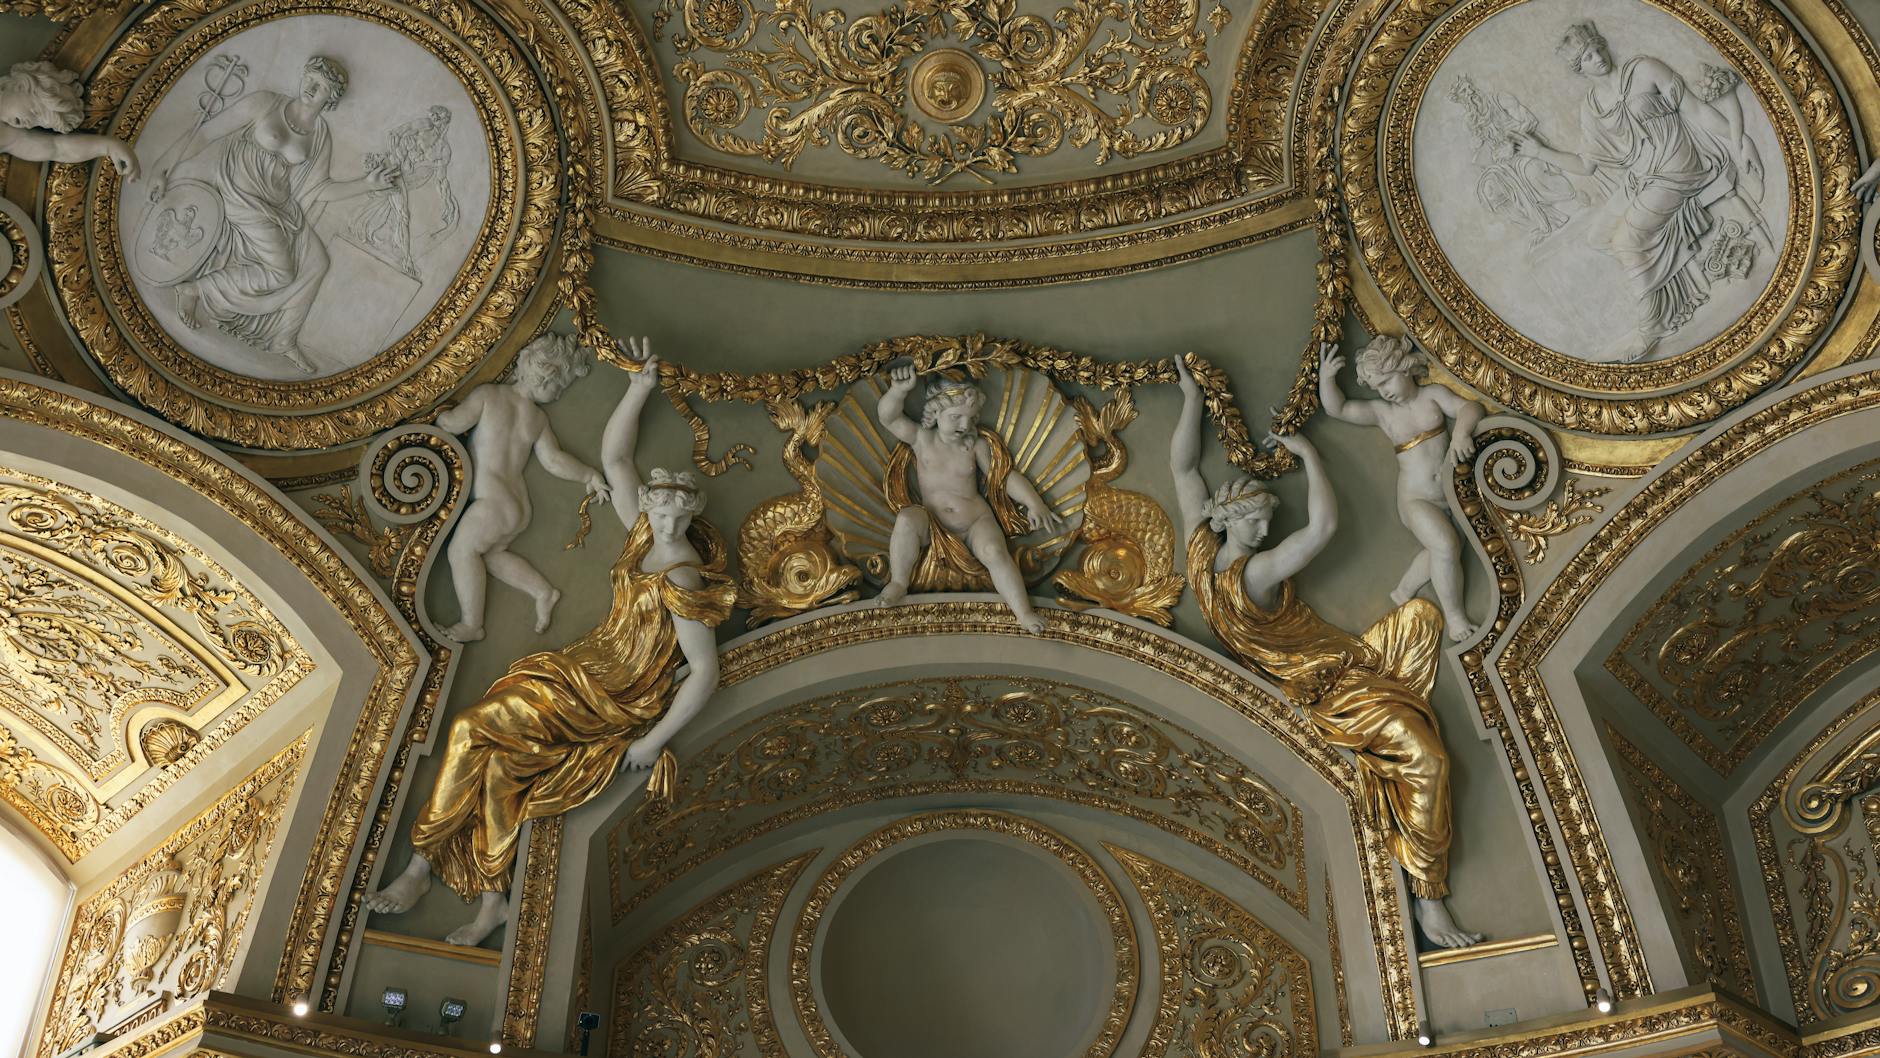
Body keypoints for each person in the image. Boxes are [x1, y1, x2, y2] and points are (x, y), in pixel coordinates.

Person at [366, 339, 737, 947]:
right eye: (659, 507)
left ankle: (418, 867)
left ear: (691, 514)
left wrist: (652, 740)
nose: (666, 521)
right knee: (504, 766)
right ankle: (489, 901)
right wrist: (639, 388)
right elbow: (614, 457)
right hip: (588, 665)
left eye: (677, 514)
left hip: (617, 688)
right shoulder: (644, 536)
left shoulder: (683, 573)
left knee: (468, 729)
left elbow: (704, 670)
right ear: (648, 505)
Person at [1171, 352, 1482, 949]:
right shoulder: (1255, 575)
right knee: (1428, 761)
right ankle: (1430, 898)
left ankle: (1427, 897)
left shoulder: (1201, 557)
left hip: (1344, 668)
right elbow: (1321, 530)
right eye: (1257, 521)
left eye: (1267, 521)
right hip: (1335, 689)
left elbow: (1183, 467)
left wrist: (1191, 400)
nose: (1266, 531)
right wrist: (1312, 455)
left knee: (1419, 623)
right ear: (1231, 520)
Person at [1509, 21, 1763, 362]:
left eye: (1598, 48)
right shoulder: (1593, 108)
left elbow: (1696, 110)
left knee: (1627, 241)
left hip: (1678, 164)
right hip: (1642, 177)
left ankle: (1650, 328)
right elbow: (1587, 165)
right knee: (1598, 235)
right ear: (1578, 68)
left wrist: (1739, 140)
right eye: (1587, 57)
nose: (1598, 57)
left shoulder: (1644, 69)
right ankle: (1676, 289)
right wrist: (1537, 152)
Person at [144, 56, 397, 374]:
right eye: (310, 79)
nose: (310, 88)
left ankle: (284, 339)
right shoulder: (265, 102)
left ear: (329, 100)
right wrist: (162, 166)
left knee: (318, 262)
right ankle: (196, 289)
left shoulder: (319, 135)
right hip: (239, 193)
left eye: (320, 88)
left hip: (278, 205)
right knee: (282, 273)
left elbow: (320, 189)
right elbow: (206, 134)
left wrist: (367, 184)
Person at [439, 333, 609, 642]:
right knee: (491, 556)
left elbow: (453, 424)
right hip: (517, 507)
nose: (558, 395)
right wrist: (588, 475)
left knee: (461, 551)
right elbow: (554, 461)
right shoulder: (536, 418)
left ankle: (471, 623)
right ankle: (543, 591)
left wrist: (439, 414)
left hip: (492, 503)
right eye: (559, 386)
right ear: (546, 375)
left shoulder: (489, 396)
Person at [872, 365, 1064, 633]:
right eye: (956, 417)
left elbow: (1004, 477)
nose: (965, 425)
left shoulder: (975, 446)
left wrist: (1035, 503)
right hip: (932, 523)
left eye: (971, 418)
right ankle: (899, 582)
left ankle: (1023, 612)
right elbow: (888, 418)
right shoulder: (921, 438)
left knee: (995, 552)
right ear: (935, 412)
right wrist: (898, 391)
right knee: (906, 519)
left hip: (975, 520)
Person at [1319, 337, 1482, 642]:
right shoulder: (1384, 413)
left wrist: (1460, 435)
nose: (1385, 391)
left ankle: (1404, 590)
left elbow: (1470, 408)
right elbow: (1337, 408)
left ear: (1405, 368)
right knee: (1445, 547)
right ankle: (1456, 618)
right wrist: (1326, 378)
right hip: (1415, 499)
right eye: (1378, 387)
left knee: (1446, 547)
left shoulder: (1431, 396)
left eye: (1387, 380)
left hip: (1449, 496)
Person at [0, 61, 138, 176]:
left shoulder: (8, 135)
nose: (29, 124)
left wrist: (108, 146)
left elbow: (58, 148)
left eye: (38, 123)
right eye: (35, 112)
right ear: (20, 85)